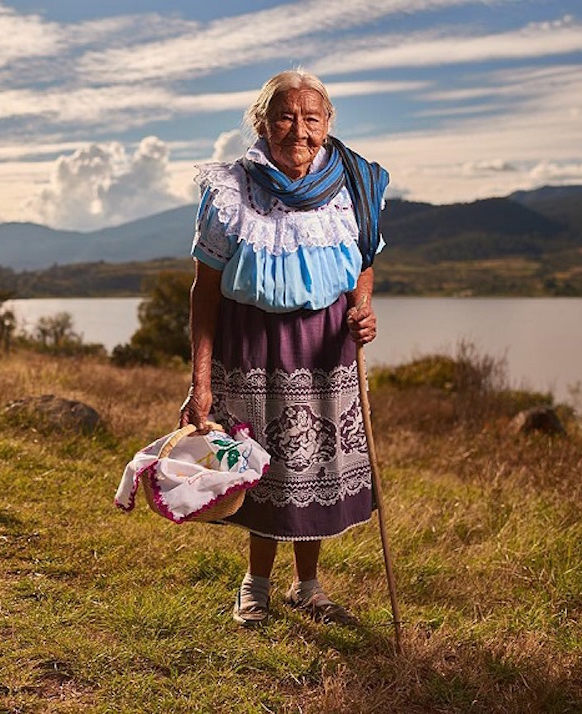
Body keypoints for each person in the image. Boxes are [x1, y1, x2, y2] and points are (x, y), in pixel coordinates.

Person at [179, 69, 389, 627]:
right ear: (262, 123)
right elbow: (204, 290)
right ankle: (257, 584)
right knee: (261, 468)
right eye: (285, 116)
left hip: (327, 347)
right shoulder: (230, 190)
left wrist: (362, 309)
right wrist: (199, 383)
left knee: (310, 465)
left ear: (327, 125)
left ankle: (309, 586)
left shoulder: (356, 184)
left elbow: (364, 261)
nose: (299, 129)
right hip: (251, 346)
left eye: (311, 117)